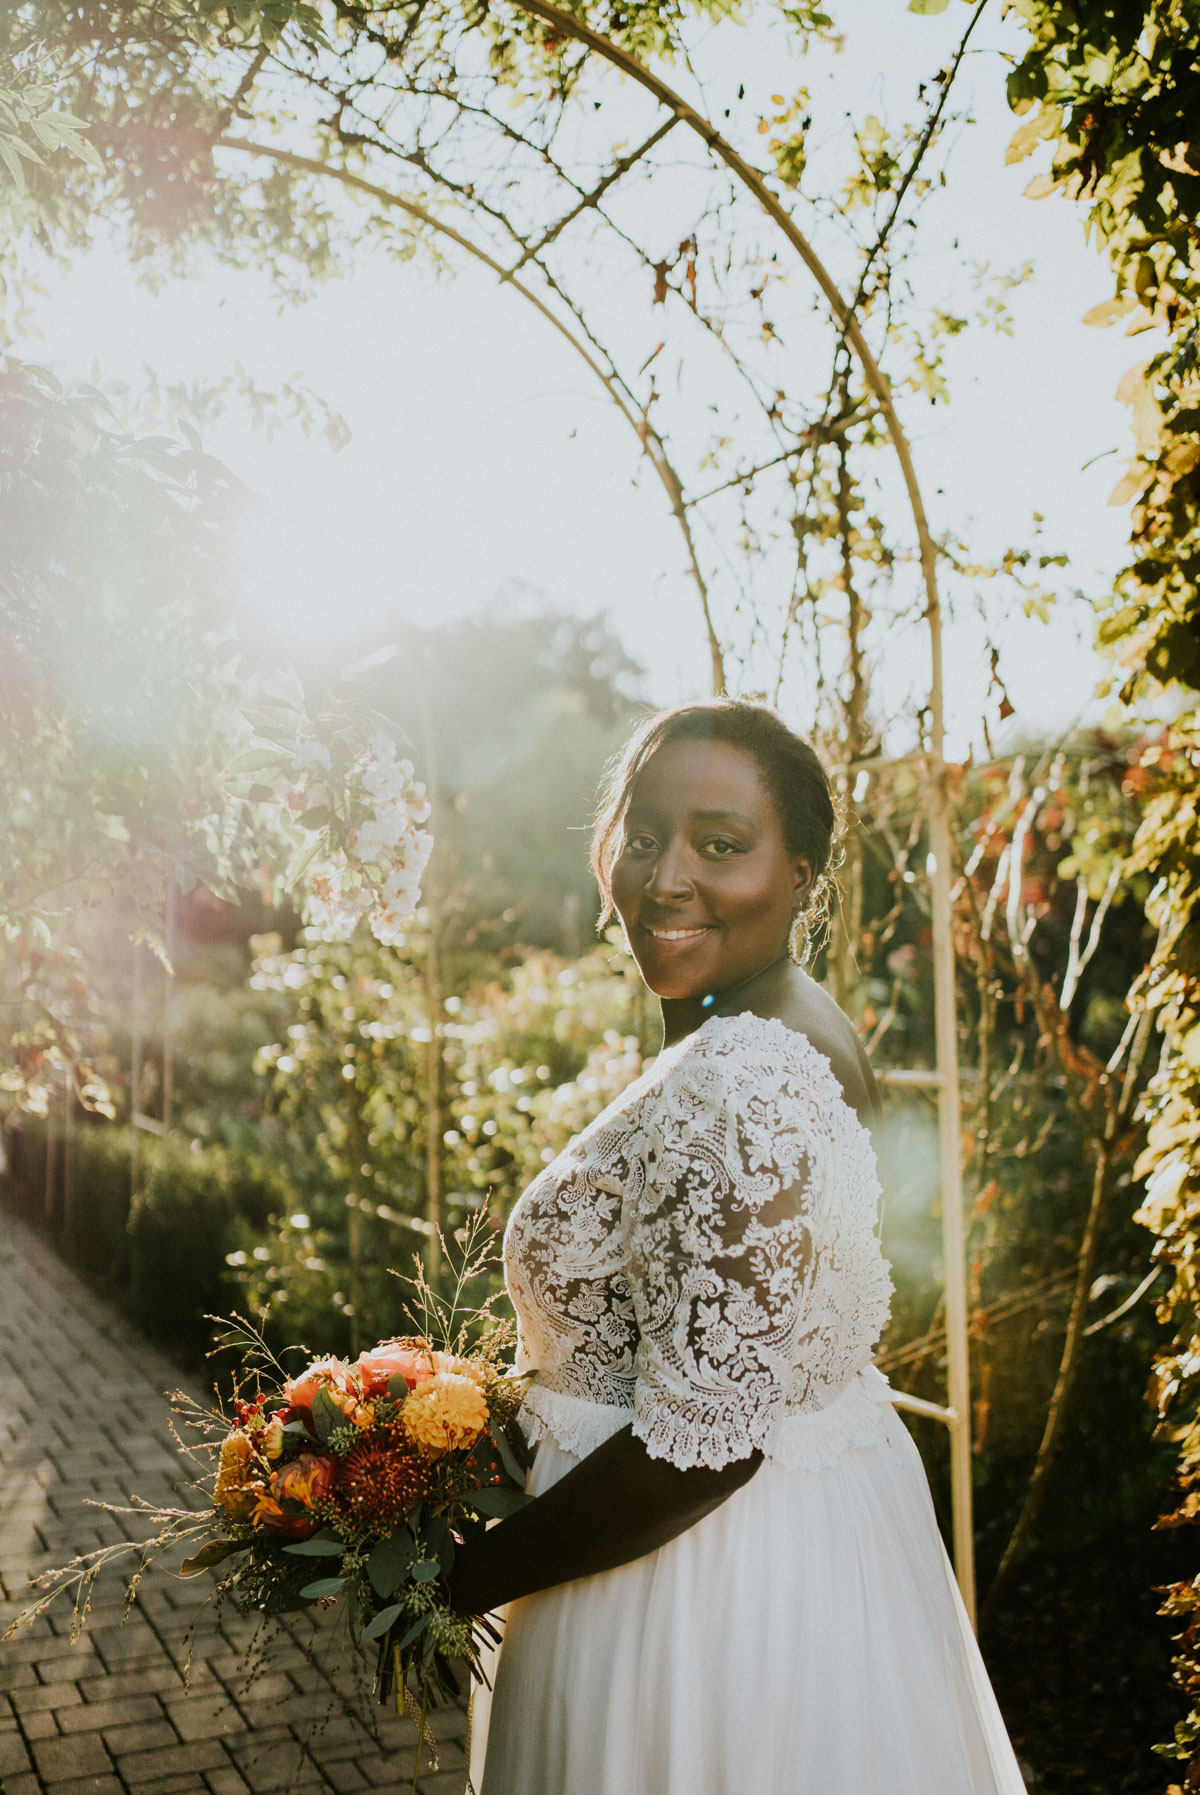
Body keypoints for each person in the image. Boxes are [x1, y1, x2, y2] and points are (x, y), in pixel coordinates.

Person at [447, 698, 1027, 1795]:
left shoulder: (740, 1077)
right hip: (795, 1552)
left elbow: (698, 1443)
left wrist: (459, 1572)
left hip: (689, 1595)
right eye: (645, 833)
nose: (667, 878)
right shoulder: (781, 1015)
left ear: (802, 872)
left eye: (722, 845)